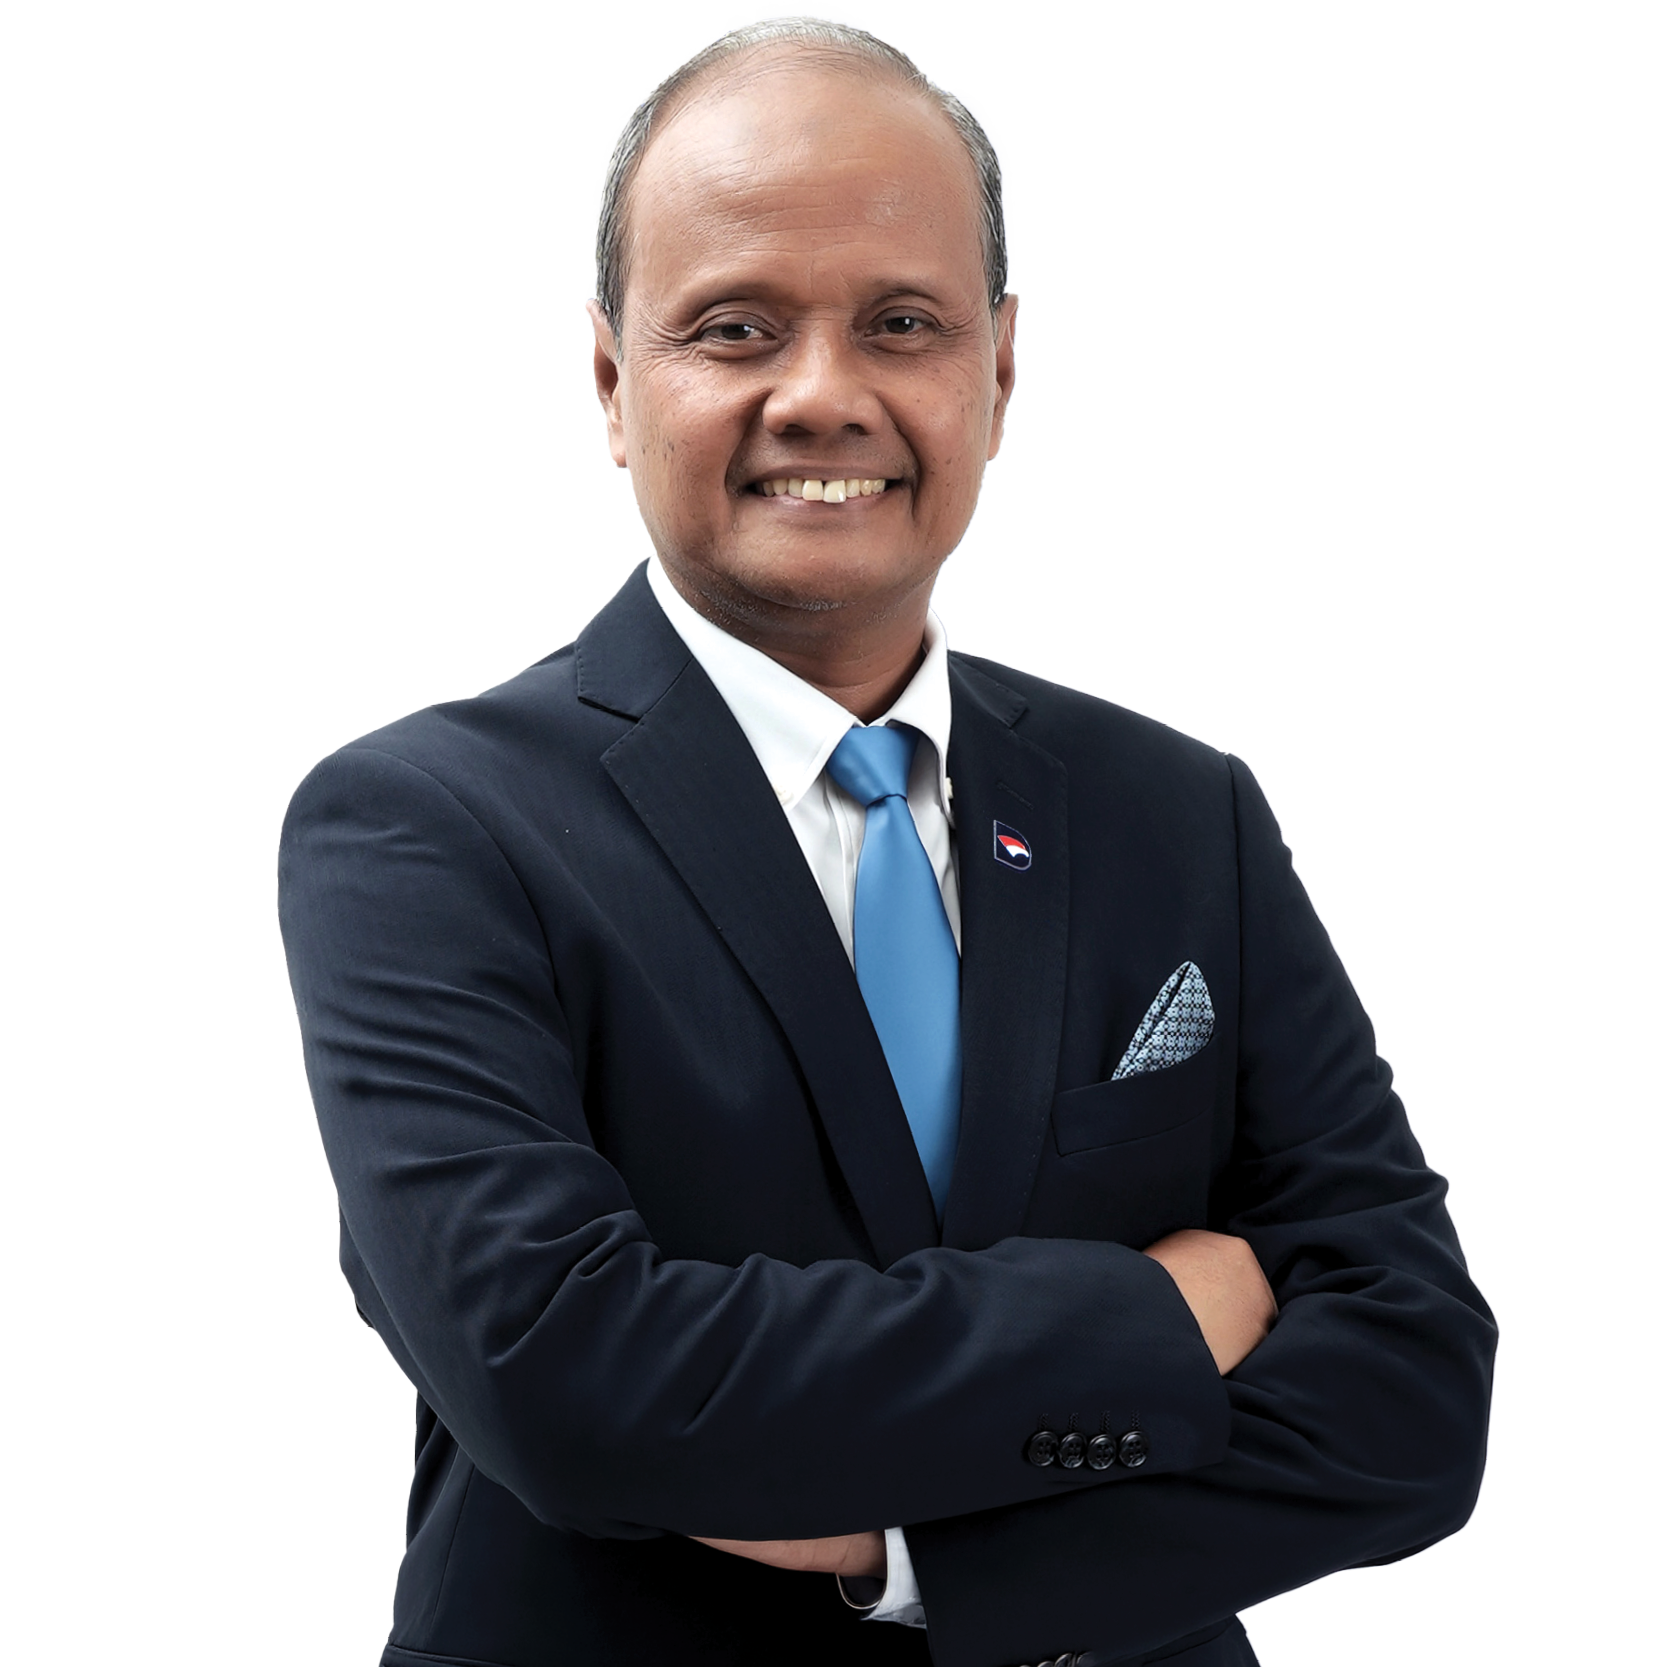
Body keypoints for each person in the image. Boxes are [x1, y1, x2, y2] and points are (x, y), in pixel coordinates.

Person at [278, 18, 1496, 1667]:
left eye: (901, 324)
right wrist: (1158, 1310)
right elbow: (573, 1381)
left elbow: (1414, 1390)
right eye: (734, 326)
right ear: (612, 384)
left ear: (997, 373)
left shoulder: (1174, 809)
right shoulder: (422, 826)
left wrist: (916, 1548)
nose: (822, 395)